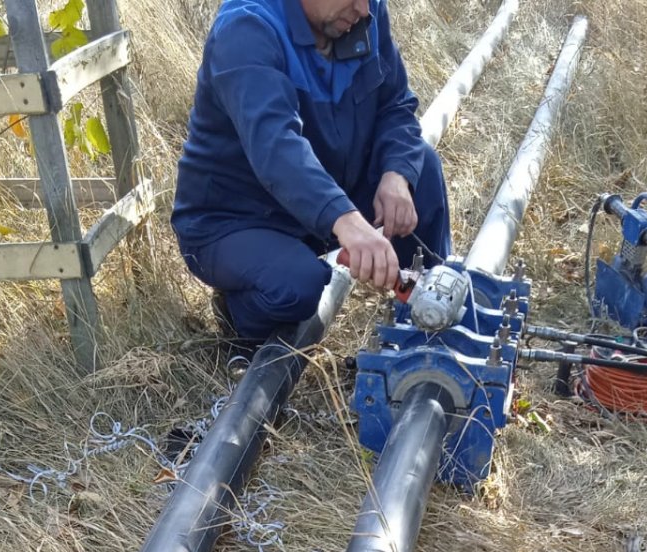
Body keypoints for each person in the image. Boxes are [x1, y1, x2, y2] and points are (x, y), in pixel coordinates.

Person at [172, 0, 452, 345]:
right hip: (237, 219)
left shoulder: (361, 13)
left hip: (323, 196)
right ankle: (240, 318)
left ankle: (430, 320)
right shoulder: (246, 30)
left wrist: (397, 175)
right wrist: (347, 221)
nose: (364, 10)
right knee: (297, 286)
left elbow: (395, 105)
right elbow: (277, 148)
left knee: (420, 169)